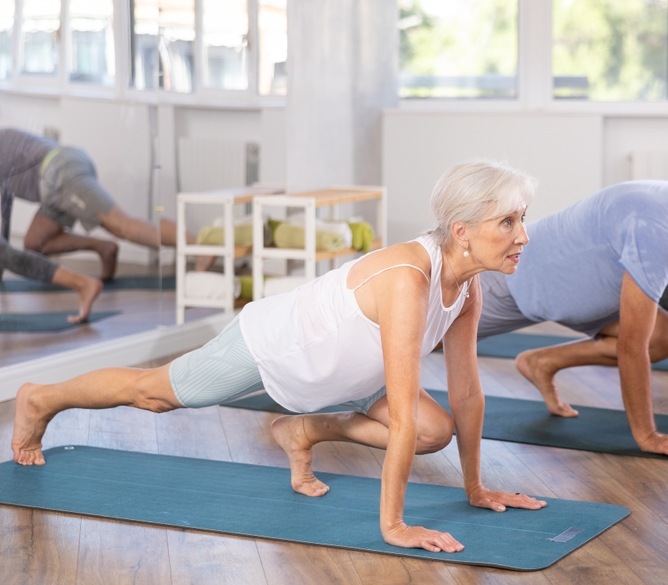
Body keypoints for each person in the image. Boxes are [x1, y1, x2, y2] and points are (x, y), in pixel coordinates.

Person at [12, 160, 546, 553]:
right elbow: (401, 412)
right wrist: (394, 526)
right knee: (154, 395)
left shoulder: (468, 287)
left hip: (354, 372)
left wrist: (476, 488)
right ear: (462, 232)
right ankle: (41, 399)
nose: (522, 235)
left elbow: (468, 393)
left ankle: (302, 431)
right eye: (507, 223)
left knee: (436, 430)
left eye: (522, 219)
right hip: (276, 348)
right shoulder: (408, 280)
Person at [477, 159, 668, 463]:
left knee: (664, 336)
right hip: (515, 277)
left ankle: (541, 362)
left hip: (583, 297)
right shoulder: (658, 224)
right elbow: (631, 345)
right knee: (432, 337)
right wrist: (647, 435)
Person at [0, 127, 197, 282]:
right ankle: (102, 247)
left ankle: (200, 246)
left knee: (124, 227)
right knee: (34, 243)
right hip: (60, 171)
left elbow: (2, 218)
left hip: (59, 174)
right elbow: (5, 209)